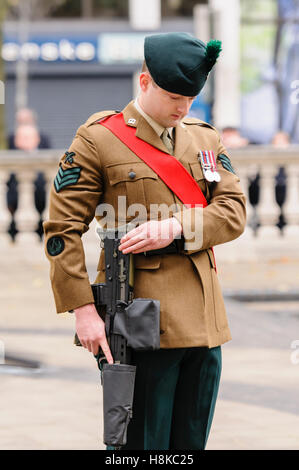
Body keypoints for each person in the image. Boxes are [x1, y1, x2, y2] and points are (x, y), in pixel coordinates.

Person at [43, 32, 246, 450]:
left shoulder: (204, 138)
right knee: (140, 448)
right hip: (140, 322)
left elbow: (233, 211)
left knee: (190, 445)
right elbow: (62, 231)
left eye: (190, 98)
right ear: (144, 82)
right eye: (173, 96)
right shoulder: (98, 138)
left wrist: (175, 226)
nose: (182, 107)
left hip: (205, 323)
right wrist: (82, 311)